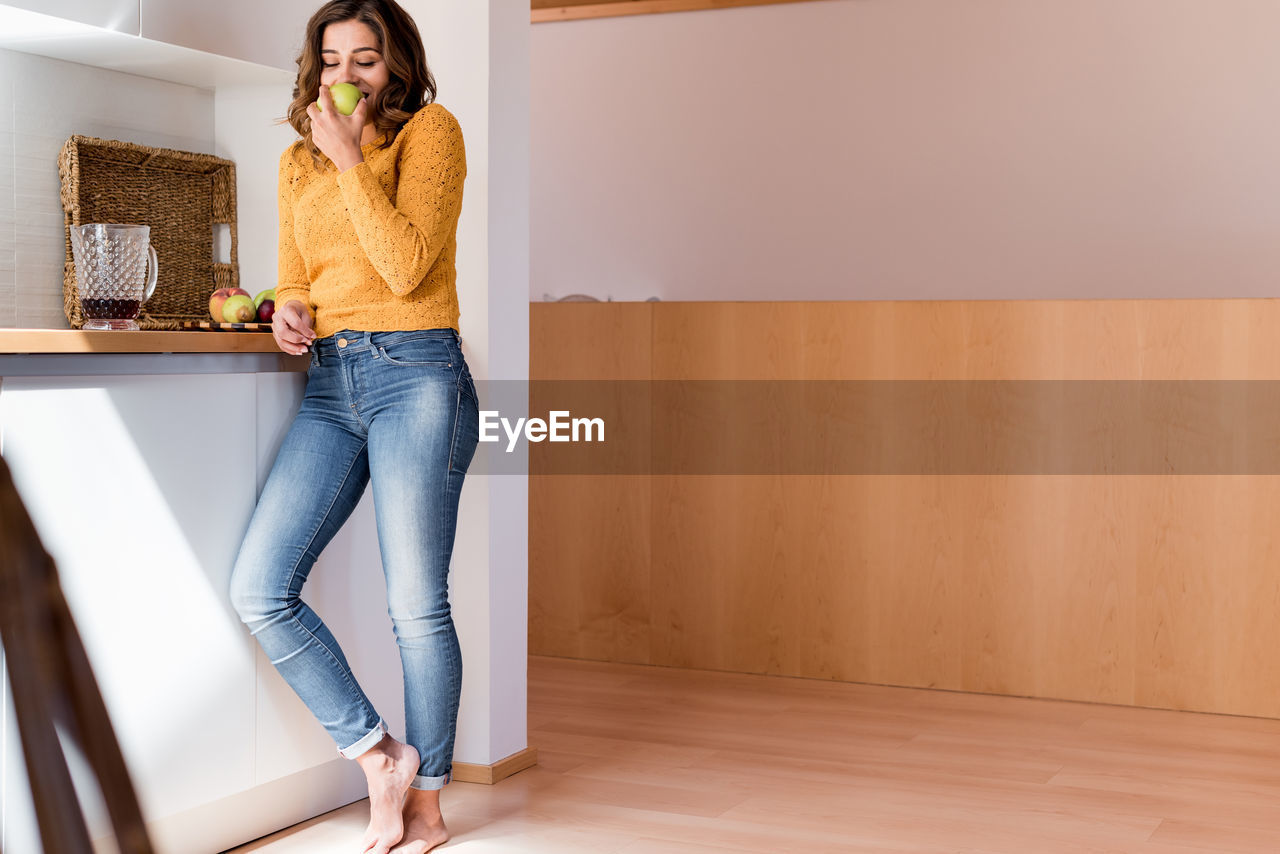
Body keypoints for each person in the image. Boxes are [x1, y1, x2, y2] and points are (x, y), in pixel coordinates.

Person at [228, 1, 477, 852]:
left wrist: (350, 162)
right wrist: (287, 310)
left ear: (396, 65)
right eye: (331, 61)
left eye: (365, 60)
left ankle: (431, 801)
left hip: (418, 376)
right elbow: (297, 273)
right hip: (332, 381)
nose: (345, 77)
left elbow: (407, 267)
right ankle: (379, 757)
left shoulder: (430, 135)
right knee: (260, 588)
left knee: (415, 605)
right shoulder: (298, 161)